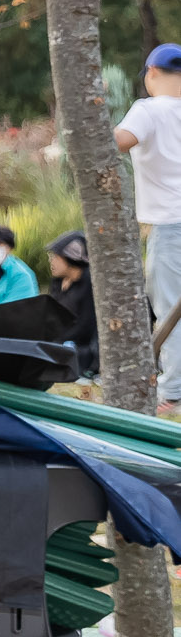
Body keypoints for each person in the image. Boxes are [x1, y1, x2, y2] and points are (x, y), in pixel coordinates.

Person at [118, 43, 181, 406]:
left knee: (171, 308)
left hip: (170, 226)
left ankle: (173, 393)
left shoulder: (147, 111)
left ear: (151, 73)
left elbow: (119, 142)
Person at [46, 231, 98, 377]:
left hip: (82, 347)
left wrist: (58, 339)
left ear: (71, 258)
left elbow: (86, 325)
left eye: (55, 257)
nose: (51, 261)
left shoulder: (90, 283)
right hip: (59, 340)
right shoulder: (57, 281)